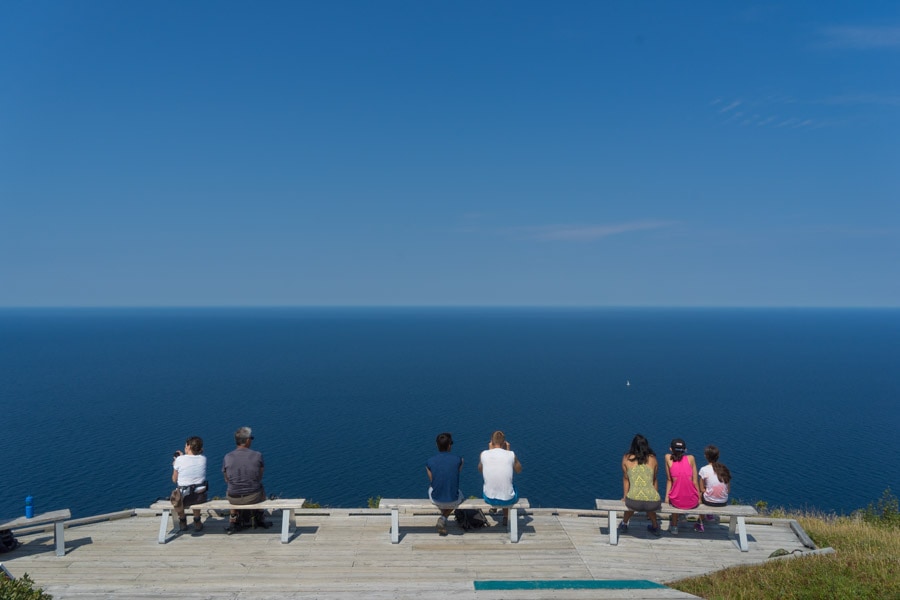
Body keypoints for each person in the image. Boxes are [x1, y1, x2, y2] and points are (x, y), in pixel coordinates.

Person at [222, 426, 271, 534]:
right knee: (260, 486)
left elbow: (227, 479)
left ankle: (233, 519)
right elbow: (259, 477)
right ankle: (260, 517)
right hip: (253, 497)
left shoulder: (227, 457)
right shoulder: (258, 455)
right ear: (248, 440)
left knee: (231, 486)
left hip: (233, 498)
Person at [620, 434, 662, 537]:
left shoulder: (626, 458)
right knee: (649, 502)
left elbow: (626, 479)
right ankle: (655, 526)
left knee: (631, 502)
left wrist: (625, 496)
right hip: (653, 501)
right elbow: (654, 479)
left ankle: (624, 524)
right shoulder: (653, 459)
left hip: (634, 501)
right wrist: (655, 495)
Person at [478, 430, 522, 527]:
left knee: (494, 482)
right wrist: (508, 452)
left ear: (491, 442)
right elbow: (519, 470)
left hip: (489, 498)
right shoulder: (511, 454)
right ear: (504, 443)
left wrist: (489, 451)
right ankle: (505, 516)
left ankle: (495, 507)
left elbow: (480, 470)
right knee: (509, 486)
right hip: (508, 499)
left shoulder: (484, 454)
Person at [426, 432, 465, 535]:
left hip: (436, 499)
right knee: (459, 494)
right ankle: (443, 517)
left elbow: (432, 480)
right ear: (449, 445)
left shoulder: (429, 462)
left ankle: (443, 518)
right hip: (453, 499)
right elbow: (454, 475)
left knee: (432, 487)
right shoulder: (459, 460)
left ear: (436, 445)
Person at [171, 436, 209, 532]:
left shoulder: (180, 460)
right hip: (200, 498)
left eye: (185, 445)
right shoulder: (203, 459)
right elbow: (193, 459)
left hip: (184, 499)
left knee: (178, 494)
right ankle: (197, 521)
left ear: (188, 447)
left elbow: (174, 480)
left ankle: (183, 521)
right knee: (196, 489)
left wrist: (176, 462)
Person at [664, 438, 700, 535]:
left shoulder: (668, 458)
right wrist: (699, 499)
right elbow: (695, 481)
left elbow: (669, 480)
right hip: (692, 501)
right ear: (685, 449)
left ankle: (674, 527)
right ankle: (682, 515)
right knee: (683, 492)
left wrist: (666, 498)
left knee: (675, 496)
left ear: (671, 449)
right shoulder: (691, 458)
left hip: (677, 501)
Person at [696, 444, 732, 532]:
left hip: (709, 501)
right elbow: (728, 490)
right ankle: (709, 515)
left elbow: (701, 489)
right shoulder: (724, 469)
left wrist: (705, 491)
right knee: (711, 491)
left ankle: (700, 523)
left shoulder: (704, 469)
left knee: (701, 494)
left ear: (706, 456)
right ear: (718, 456)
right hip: (723, 502)